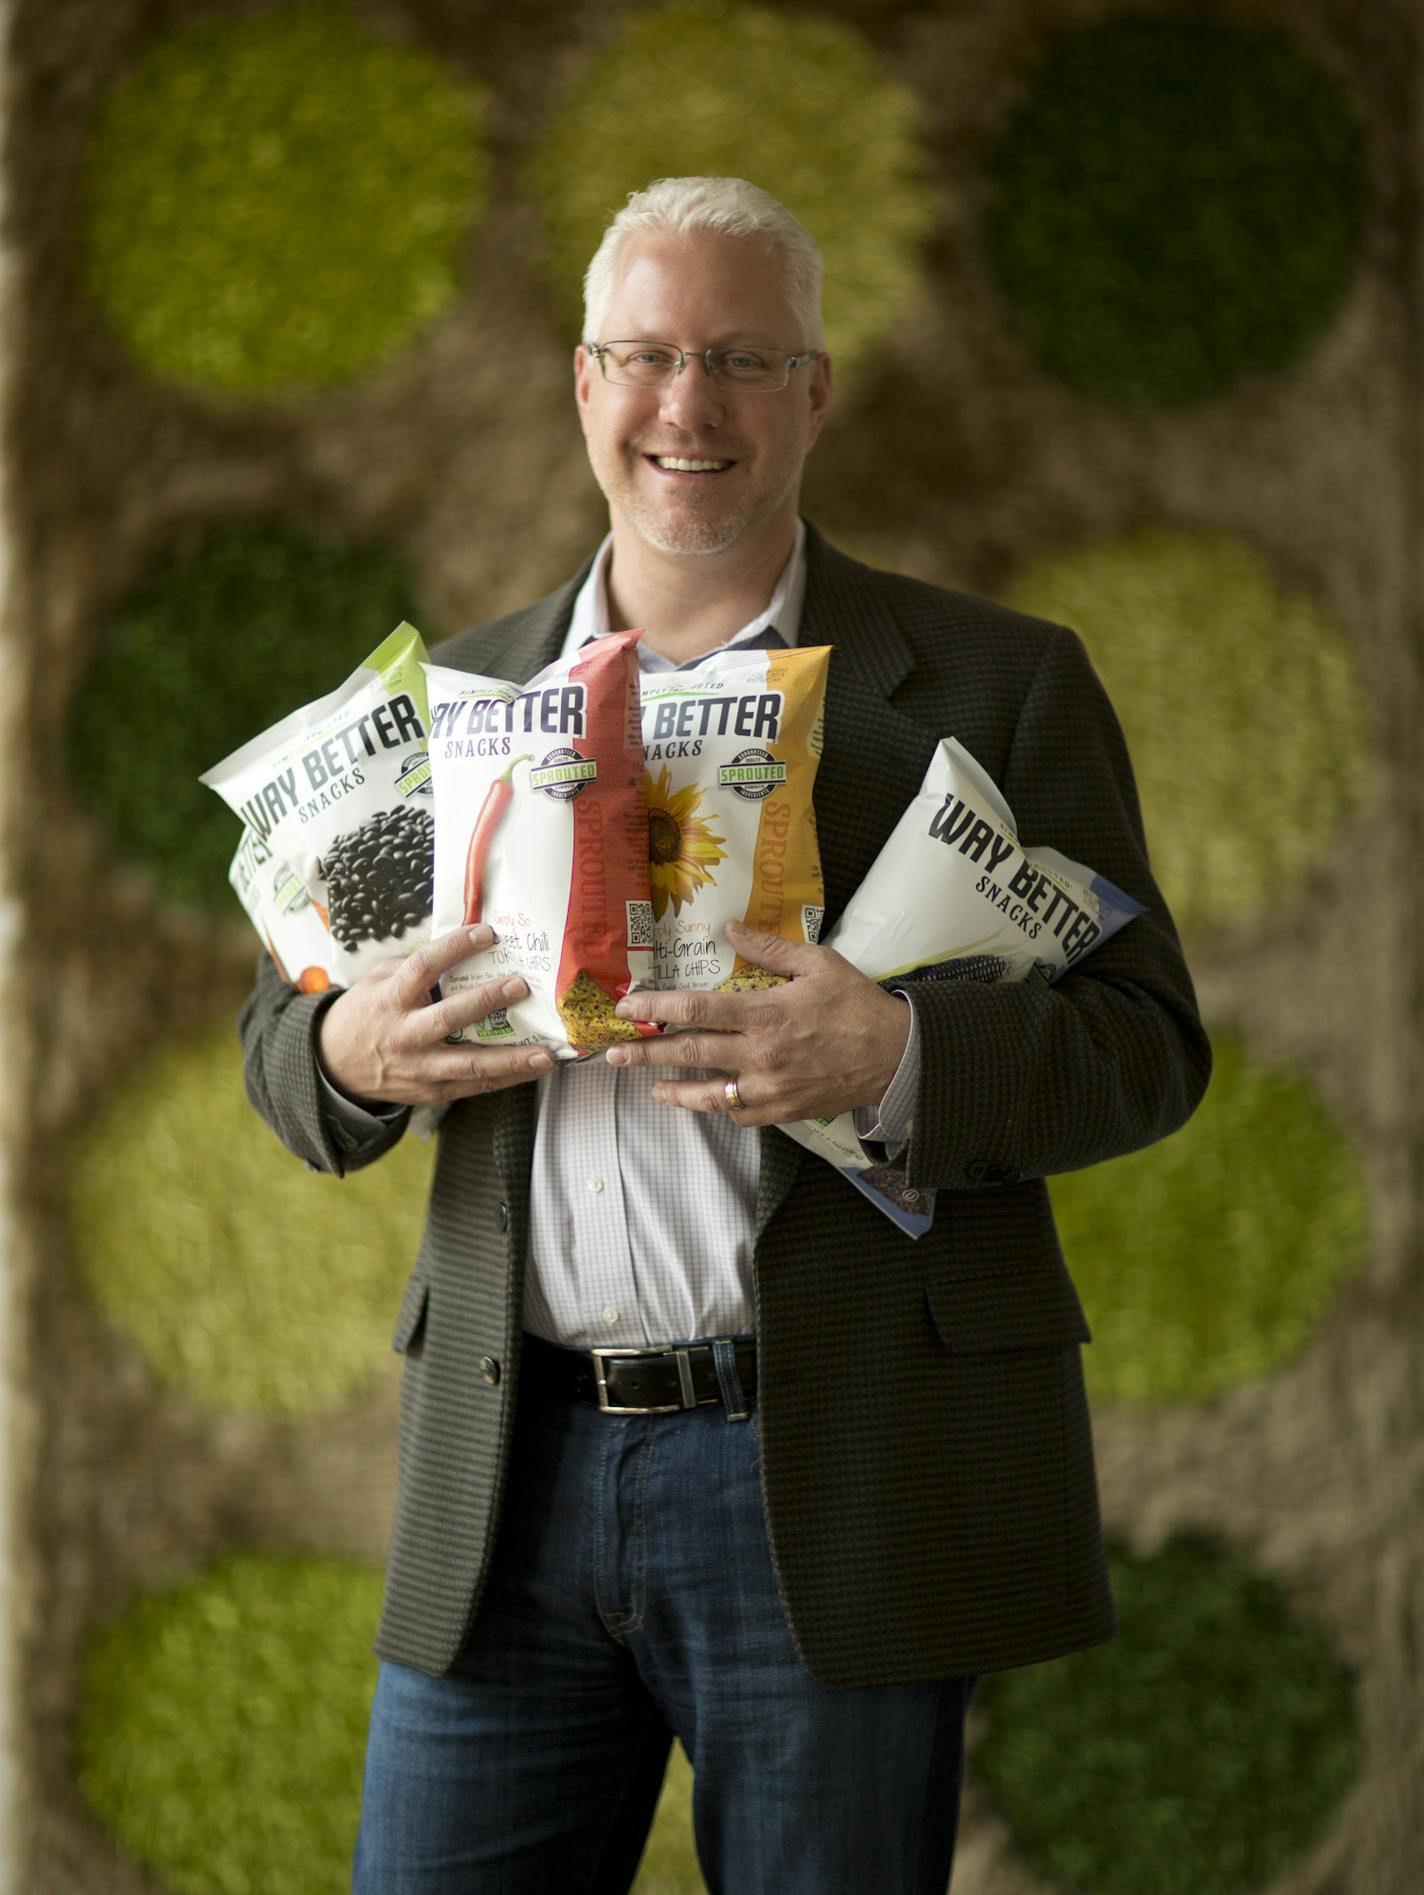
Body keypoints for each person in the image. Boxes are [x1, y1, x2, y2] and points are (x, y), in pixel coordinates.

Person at [240, 176, 1211, 1894]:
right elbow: (283, 1038)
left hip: (832, 1479)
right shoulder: (447, 705)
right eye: (646, 356)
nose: (688, 408)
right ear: (584, 382)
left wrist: (901, 1062)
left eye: (743, 359)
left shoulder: (1001, 684)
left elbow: (1148, 1047)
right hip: (507, 1473)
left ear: (816, 392)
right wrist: (343, 1060)